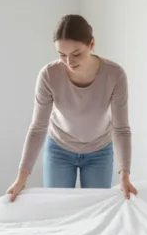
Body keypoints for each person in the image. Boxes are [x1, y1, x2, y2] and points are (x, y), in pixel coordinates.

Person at [7, 14, 138, 201]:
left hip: (99, 151)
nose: (69, 62)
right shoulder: (48, 75)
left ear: (91, 45)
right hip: (59, 149)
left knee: (94, 208)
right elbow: (38, 127)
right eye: (62, 55)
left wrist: (124, 175)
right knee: (57, 207)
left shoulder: (115, 75)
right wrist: (22, 177)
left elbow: (121, 129)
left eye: (76, 54)